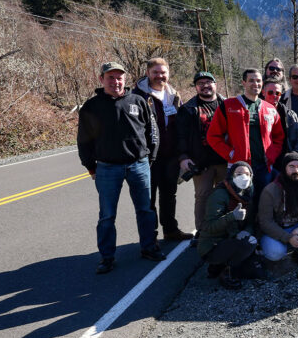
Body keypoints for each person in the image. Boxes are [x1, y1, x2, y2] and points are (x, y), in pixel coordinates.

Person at [77, 62, 164, 274]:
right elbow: (83, 140)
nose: (115, 82)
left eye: (119, 78)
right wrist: (90, 166)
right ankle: (107, 257)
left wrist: (150, 157)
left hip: (139, 165)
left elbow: (153, 131)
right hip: (107, 168)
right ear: (101, 80)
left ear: (125, 79)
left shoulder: (139, 101)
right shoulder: (91, 106)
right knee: (107, 215)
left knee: (145, 210)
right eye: (110, 78)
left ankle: (148, 247)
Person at [206, 68, 285, 205]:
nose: (256, 84)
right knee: (239, 203)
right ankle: (242, 227)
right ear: (243, 82)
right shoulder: (228, 106)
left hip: (263, 167)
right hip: (239, 167)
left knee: (263, 202)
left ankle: (261, 226)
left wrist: (271, 154)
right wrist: (230, 153)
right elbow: (213, 136)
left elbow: (279, 137)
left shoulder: (270, 109)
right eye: (251, 80)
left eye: (259, 81)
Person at [132, 57, 189, 240]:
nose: (159, 76)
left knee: (169, 195)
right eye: (155, 72)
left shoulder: (174, 95)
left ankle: (170, 231)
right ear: (148, 73)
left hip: (170, 155)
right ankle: (150, 238)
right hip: (148, 157)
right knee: (148, 199)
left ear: (168, 74)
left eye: (163, 72)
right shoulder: (138, 95)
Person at [176, 71, 227, 237]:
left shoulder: (226, 105)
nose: (205, 85)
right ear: (196, 87)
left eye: (208, 82)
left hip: (224, 160)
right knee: (202, 197)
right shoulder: (188, 109)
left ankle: (223, 228)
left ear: (215, 84)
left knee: (225, 195)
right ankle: (202, 232)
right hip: (201, 162)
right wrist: (183, 157)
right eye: (200, 83)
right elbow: (180, 136)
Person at [197, 162, 260, 289]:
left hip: (234, 238)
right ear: (231, 176)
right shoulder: (219, 195)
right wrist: (232, 216)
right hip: (213, 245)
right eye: (239, 174)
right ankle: (226, 271)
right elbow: (209, 227)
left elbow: (251, 221)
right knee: (249, 244)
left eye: (247, 174)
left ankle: (218, 266)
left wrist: (247, 231)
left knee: (257, 272)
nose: (244, 177)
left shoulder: (248, 193)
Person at [262, 77, 298, 161]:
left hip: (284, 162)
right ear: (263, 93)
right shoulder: (255, 114)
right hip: (262, 161)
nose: (274, 96)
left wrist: (294, 157)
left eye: (278, 93)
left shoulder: (290, 115)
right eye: (270, 92)